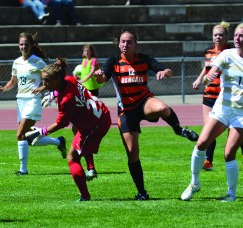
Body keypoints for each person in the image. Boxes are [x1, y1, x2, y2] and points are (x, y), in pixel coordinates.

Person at [94, 28, 199, 200]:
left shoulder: (144, 59)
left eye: (129, 42)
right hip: (126, 111)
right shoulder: (113, 61)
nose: (125, 44)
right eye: (123, 41)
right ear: (118, 44)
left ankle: (179, 130)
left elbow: (168, 70)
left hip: (144, 102)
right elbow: (102, 78)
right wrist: (98, 75)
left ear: (135, 44)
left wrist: (164, 72)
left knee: (162, 108)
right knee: (132, 153)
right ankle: (142, 192)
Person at [25, 58, 111, 201]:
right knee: (76, 137)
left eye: (47, 81)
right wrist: (53, 94)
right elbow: (65, 88)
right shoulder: (69, 79)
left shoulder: (66, 100)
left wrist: (40, 133)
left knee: (72, 158)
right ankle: (90, 171)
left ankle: (85, 195)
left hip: (94, 125)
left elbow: (61, 123)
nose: (44, 84)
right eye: (43, 80)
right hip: (99, 115)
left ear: (58, 79)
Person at [181, 23, 243, 202]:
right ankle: (194, 183)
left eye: (242, 35)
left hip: (241, 113)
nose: (239, 39)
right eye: (237, 35)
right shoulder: (226, 54)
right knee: (201, 143)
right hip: (223, 108)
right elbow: (212, 72)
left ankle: (231, 194)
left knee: (229, 153)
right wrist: (208, 77)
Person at [0, 32, 66, 175]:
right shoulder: (16, 62)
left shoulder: (38, 62)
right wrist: (4, 88)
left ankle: (23, 170)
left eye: (26, 44)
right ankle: (58, 142)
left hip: (33, 101)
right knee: (27, 137)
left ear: (32, 46)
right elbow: (13, 82)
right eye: (21, 44)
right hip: (20, 101)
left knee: (20, 134)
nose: (23, 47)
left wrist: (41, 88)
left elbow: (52, 79)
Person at [192, 21, 232, 171]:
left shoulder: (231, 53)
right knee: (208, 129)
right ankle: (208, 161)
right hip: (209, 96)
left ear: (226, 37)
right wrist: (199, 79)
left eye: (221, 35)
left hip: (226, 97)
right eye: (215, 35)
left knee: (234, 130)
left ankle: (233, 156)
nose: (218, 37)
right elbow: (206, 68)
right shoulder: (208, 52)